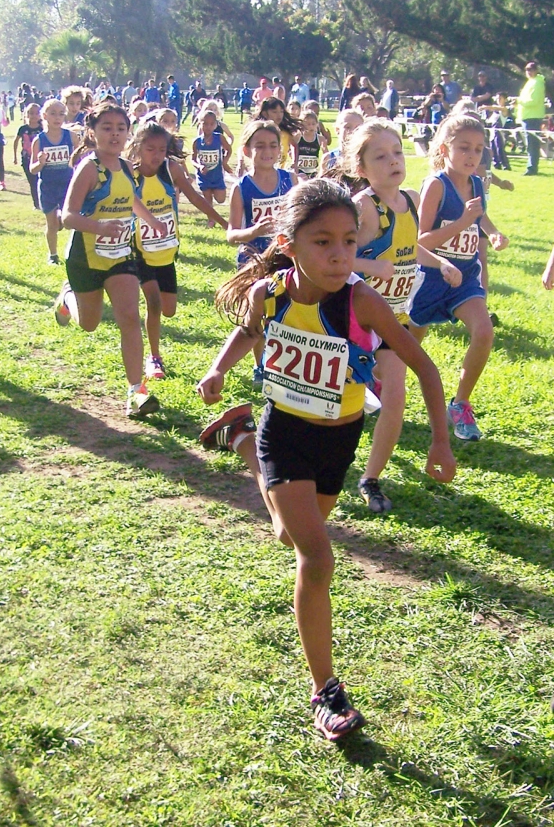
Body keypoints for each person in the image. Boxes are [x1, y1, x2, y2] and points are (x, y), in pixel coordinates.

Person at [197, 178, 456, 741]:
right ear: (289, 245)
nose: (340, 255)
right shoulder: (271, 294)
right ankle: (326, 691)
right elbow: (248, 331)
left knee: (289, 539)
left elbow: (425, 368)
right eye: (322, 243)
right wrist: (219, 367)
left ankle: (237, 437)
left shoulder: (361, 299)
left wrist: (440, 439)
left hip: (338, 441)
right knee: (316, 558)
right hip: (285, 432)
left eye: (348, 241)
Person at [350, 120, 463, 512]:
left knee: (396, 399)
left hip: (393, 320)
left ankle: (370, 478)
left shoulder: (411, 199)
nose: (393, 161)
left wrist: (440, 262)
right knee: (337, 402)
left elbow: (408, 246)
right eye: (380, 156)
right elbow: (334, 257)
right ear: (361, 167)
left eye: (397, 152)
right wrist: (370, 265)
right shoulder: (363, 207)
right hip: (353, 321)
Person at [54, 104, 167, 417]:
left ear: (128, 132)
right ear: (93, 132)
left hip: (120, 255)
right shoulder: (89, 168)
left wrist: (151, 219)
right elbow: (67, 217)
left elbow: (130, 198)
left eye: (120, 127)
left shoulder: (126, 167)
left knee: (129, 317)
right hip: (85, 257)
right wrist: (99, 226)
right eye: (107, 127)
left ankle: (136, 393)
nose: (114, 133)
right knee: (89, 324)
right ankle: (66, 297)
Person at [408, 114, 509, 440]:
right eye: (464, 147)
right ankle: (379, 379)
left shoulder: (477, 183)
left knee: (484, 331)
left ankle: (461, 402)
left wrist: (492, 233)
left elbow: (479, 218)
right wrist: (461, 222)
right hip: (431, 275)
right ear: (444, 148)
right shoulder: (436, 184)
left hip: (464, 276)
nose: (472, 155)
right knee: (409, 345)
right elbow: (421, 241)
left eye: (478, 149)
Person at [129, 122, 227, 380]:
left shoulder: (171, 169)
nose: (156, 154)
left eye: (162, 149)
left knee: (169, 309)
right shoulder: (130, 173)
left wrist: (222, 220)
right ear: (138, 148)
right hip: (139, 250)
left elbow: (195, 197)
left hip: (166, 250)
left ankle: (154, 344)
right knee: (154, 303)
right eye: (150, 149)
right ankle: (154, 358)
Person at [227, 120, 297, 387]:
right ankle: (261, 366)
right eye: (259, 146)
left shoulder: (290, 181)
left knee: (284, 316)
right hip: (253, 262)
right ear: (246, 151)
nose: (267, 151)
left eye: (272, 145)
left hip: (285, 259)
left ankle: (284, 366)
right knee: (257, 317)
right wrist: (253, 231)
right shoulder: (241, 187)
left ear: (281, 149)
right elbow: (231, 234)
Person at [30, 98, 78, 265]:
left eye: (61, 114)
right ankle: (53, 255)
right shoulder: (39, 140)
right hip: (48, 186)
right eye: (53, 114)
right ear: (44, 116)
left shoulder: (71, 137)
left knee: (70, 221)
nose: (57, 118)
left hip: (67, 185)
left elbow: (81, 159)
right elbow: (32, 169)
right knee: (51, 224)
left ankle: (75, 253)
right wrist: (40, 162)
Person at [191, 110, 231, 218]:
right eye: (205, 123)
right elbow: (193, 159)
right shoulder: (197, 142)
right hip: (204, 176)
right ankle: (211, 219)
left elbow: (229, 149)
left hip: (217, 175)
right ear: (200, 123)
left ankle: (215, 190)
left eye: (211, 124)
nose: (208, 127)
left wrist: (224, 162)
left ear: (215, 125)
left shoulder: (219, 138)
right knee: (208, 200)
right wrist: (199, 166)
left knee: (221, 199)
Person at [252, 97, 301, 172]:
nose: (279, 115)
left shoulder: (285, 132)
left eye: (281, 112)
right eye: (274, 112)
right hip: (260, 169)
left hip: (280, 170)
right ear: (265, 113)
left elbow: (294, 145)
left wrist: (294, 162)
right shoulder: (258, 132)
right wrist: (241, 162)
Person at [516, 61, 546, 176]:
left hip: (532, 117)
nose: (528, 72)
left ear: (536, 70)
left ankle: (532, 168)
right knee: (530, 144)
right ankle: (531, 166)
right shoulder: (531, 82)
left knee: (532, 144)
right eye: (527, 69)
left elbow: (533, 101)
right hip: (527, 116)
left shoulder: (537, 83)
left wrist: (519, 101)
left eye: (531, 69)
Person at [13, 104, 43, 209]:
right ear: (26, 115)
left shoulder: (42, 128)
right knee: (32, 182)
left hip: (41, 159)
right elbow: (16, 141)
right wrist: (15, 157)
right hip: (27, 159)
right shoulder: (23, 129)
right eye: (31, 113)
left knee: (41, 181)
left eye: (36, 113)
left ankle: (43, 201)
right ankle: (36, 203)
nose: (34, 116)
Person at [293, 110, 327, 179]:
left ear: (317, 124)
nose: (311, 126)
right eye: (308, 124)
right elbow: (291, 149)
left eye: (313, 124)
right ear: (301, 125)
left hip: (313, 172)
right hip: (299, 171)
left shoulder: (320, 139)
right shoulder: (298, 137)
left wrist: (323, 169)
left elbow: (326, 155)